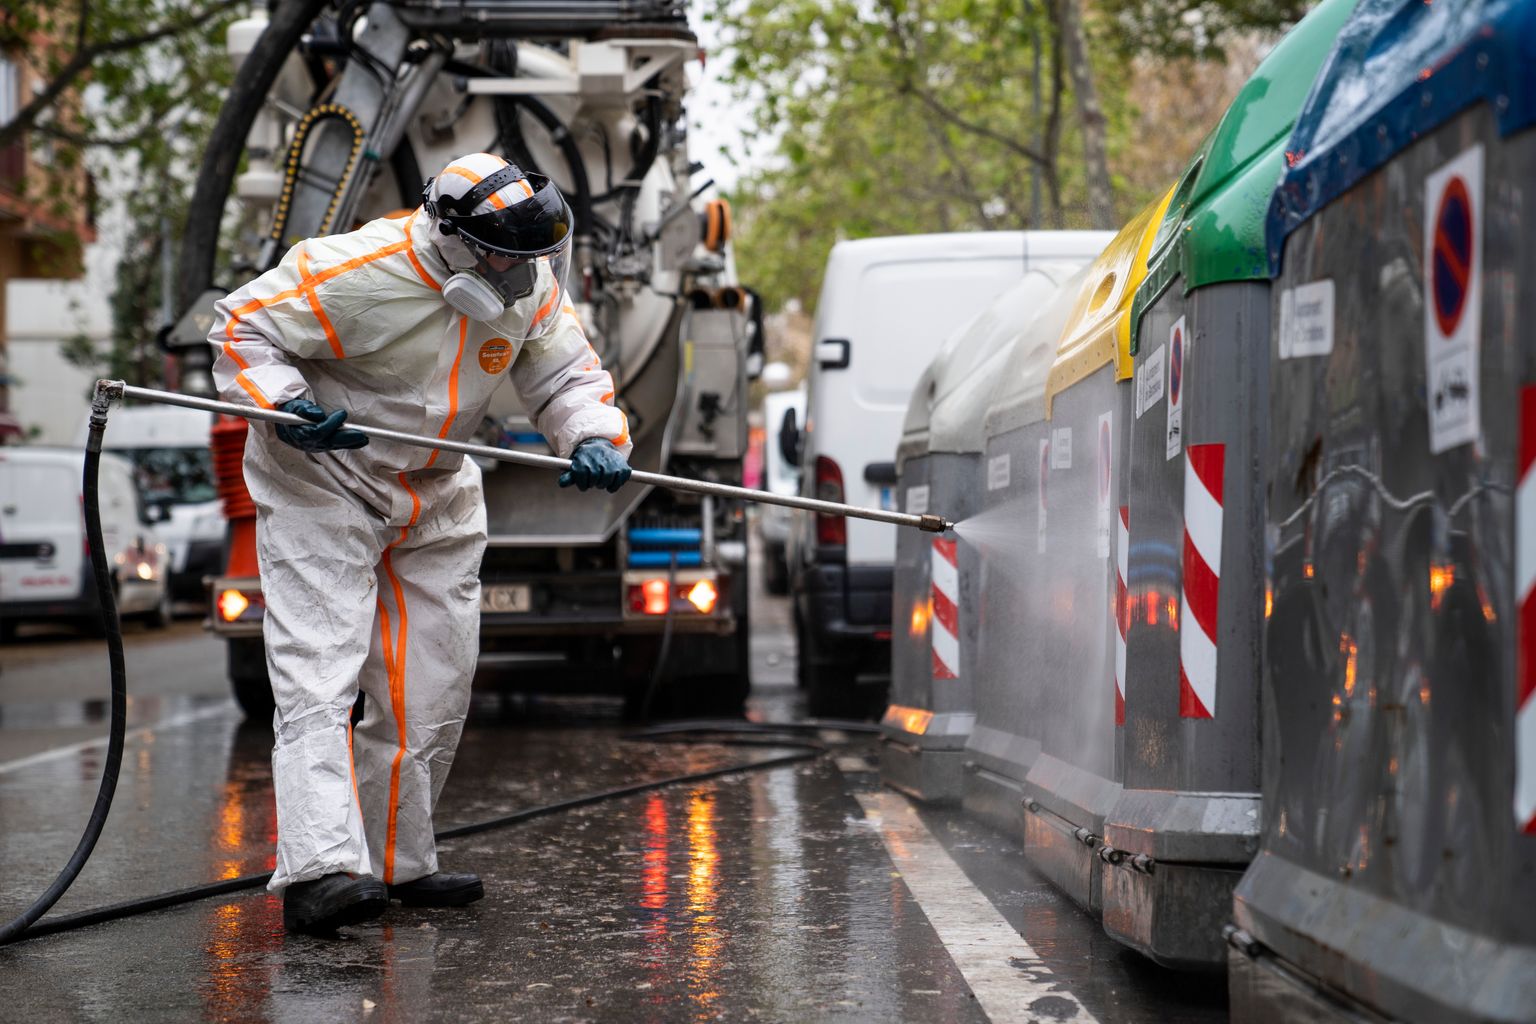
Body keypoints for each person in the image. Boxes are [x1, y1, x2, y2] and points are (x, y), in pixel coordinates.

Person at [209, 152, 633, 935]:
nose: (522, 272)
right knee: (320, 674)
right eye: (507, 253)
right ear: (450, 238)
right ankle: (320, 869)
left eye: (536, 255)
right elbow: (240, 328)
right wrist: (288, 403)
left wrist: (593, 434)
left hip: (434, 485)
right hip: (325, 479)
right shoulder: (355, 269)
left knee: (432, 681)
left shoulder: (529, 285)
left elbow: (567, 375)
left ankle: (400, 861)